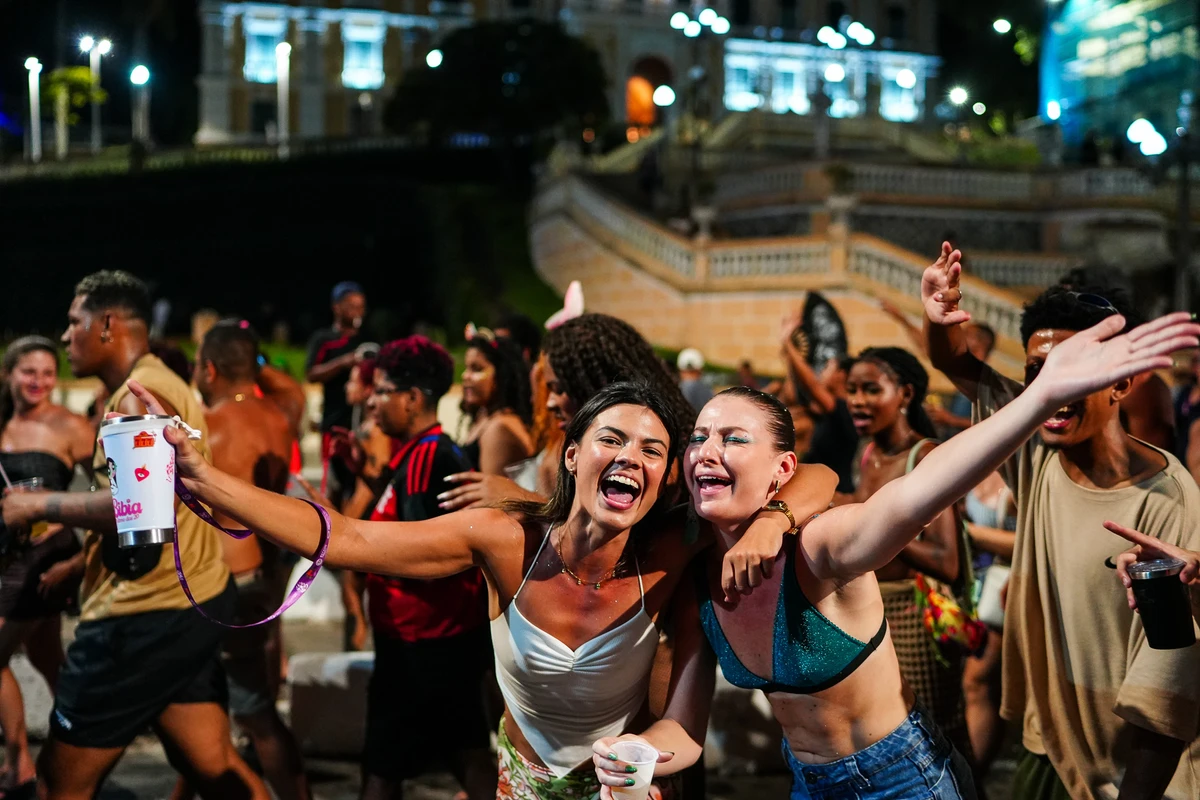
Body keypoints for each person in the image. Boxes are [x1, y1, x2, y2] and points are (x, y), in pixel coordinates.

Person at [125, 377, 833, 800]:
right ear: (574, 454)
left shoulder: (673, 548)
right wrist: (203, 475)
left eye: (653, 451)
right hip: (518, 786)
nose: (632, 458)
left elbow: (822, 479)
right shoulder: (504, 540)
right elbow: (349, 537)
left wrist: (775, 517)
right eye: (612, 439)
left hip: (627, 788)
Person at [674, 298, 1199, 799]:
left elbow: (914, 493)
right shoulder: (691, 564)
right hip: (807, 783)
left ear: (782, 469)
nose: (707, 451)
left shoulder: (817, 544)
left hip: (902, 780)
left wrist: (1040, 397)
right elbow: (678, 729)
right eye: (697, 437)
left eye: (735, 439)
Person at [922, 241, 1200, 799]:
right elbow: (957, 363)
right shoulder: (1038, 453)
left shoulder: (1168, 501)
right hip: (1046, 746)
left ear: (1121, 383)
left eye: (1074, 372)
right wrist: (940, 318)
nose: (1054, 391)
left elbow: (1173, 675)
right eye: (1038, 374)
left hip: (1134, 770)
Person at [0, 271, 267, 800]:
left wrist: (37, 503)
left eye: (74, 322)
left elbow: (144, 510)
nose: (66, 335)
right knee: (213, 764)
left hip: (140, 615)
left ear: (106, 324)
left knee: (58, 783)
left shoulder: (138, 397)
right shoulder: (162, 383)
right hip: (188, 602)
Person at [173, 320, 311, 800]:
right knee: (204, 704)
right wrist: (255, 360)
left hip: (223, 584)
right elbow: (289, 384)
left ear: (208, 369)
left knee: (252, 712)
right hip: (265, 575)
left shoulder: (204, 426)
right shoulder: (280, 415)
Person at [845, 347, 972, 761]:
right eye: (851, 390)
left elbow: (947, 560)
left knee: (933, 742)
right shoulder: (867, 453)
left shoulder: (926, 457)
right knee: (885, 742)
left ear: (905, 394)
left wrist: (872, 525)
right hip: (872, 614)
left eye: (870, 389)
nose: (857, 400)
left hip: (916, 620)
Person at [438, 314, 696, 511]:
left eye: (558, 389)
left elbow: (609, 539)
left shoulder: (654, 462)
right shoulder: (574, 443)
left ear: (595, 388)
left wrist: (520, 499)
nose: (549, 403)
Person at [0, 337, 93, 796]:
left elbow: (113, 499)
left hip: (47, 558)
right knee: (47, 658)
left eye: (47, 373)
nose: (38, 382)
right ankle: (81, 753)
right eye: (27, 372)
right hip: (7, 554)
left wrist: (83, 560)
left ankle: (19, 762)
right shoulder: (2, 423)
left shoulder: (73, 426)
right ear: (8, 374)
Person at [960, 471, 1016, 785]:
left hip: (1008, 588)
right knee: (978, 685)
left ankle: (973, 776)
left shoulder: (1022, 467)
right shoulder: (984, 461)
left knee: (977, 682)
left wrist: (969, 532)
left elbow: (1033, 539)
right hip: (981, 584)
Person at [305, 281, 367, 505]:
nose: (357, 312)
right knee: (333, 484)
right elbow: (311, 373)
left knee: (360, 484)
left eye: (361, 307)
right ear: (337, 307)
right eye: (351, 306)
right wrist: (343, 363)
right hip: (334, 424)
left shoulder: (365, 340)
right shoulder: (324, 340)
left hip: (362, 426)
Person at [459, 332, 535, 475]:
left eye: (477, 369)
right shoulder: (484, 415)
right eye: (467, 368)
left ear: (501, 375)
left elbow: (492, 495)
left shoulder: (499, 428)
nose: (465, 376)